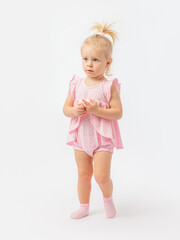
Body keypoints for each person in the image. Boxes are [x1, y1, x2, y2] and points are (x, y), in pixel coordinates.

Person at [63, 22, 124, 219]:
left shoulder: (108, 86)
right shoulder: (76, 84)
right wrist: (75, 111)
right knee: (83, 174)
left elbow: (118, 112)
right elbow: (66, 109)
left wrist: (97, 110)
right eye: (85, 58)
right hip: (81, 137)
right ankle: (84, 206)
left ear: (107, 63)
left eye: (95, 59)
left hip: (102, 139)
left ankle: (108, 200)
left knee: (101, 176)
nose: (89, 63)